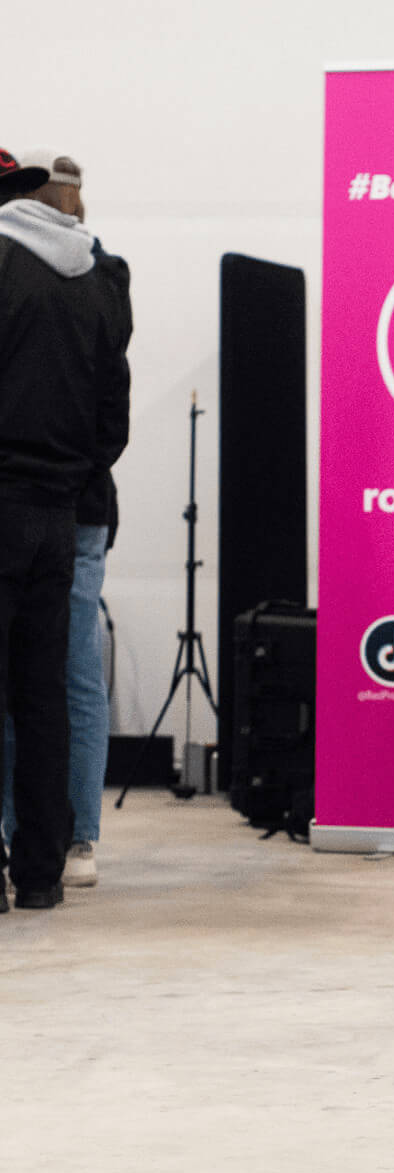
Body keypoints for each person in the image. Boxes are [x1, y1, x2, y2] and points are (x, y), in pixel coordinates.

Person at [0, 146, 131, 911]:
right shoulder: (96, 278)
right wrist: (74, 472)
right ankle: (43, 872)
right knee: (46, 690)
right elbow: (112, 407)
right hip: (64, 506)